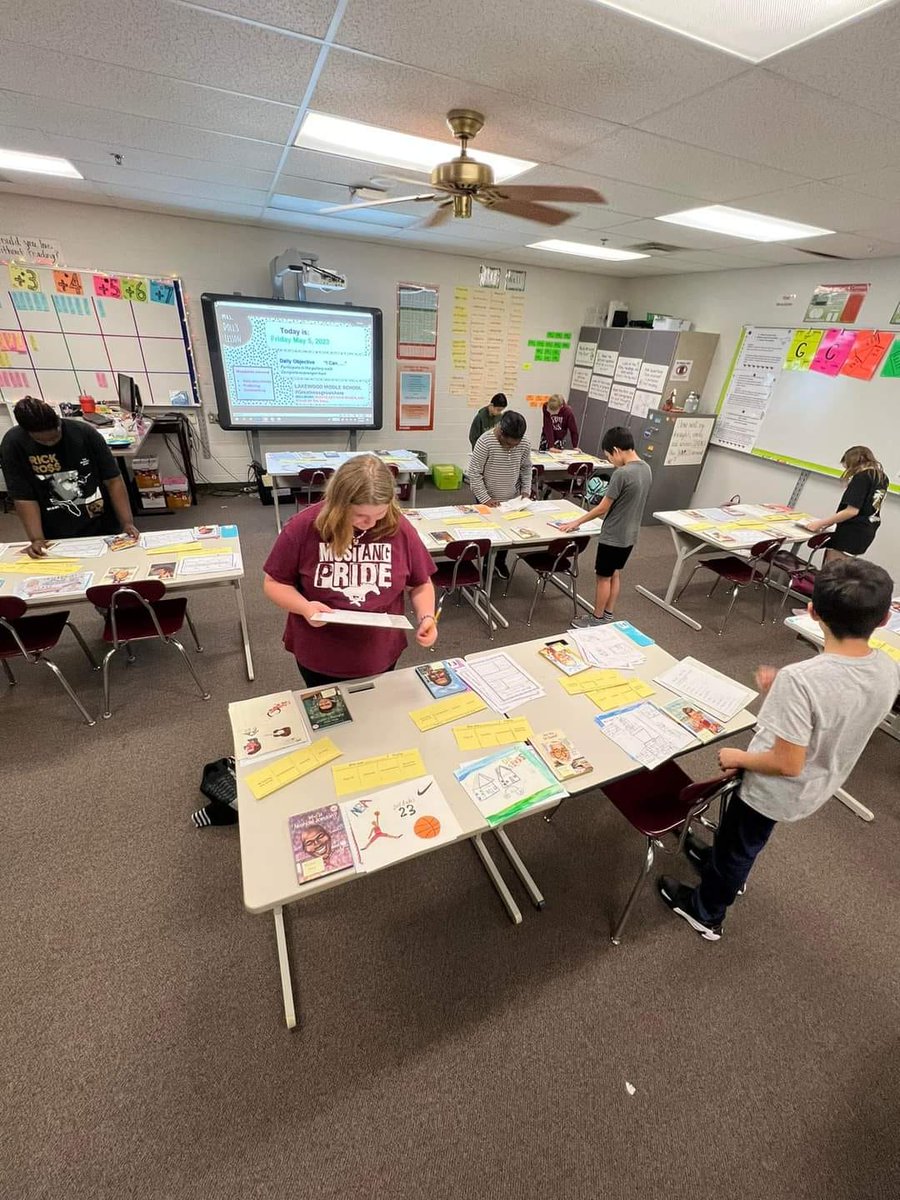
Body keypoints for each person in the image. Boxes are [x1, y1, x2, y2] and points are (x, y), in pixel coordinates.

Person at [659, 557, 900, 941]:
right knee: (739, 840)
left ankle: (707, 911)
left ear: (812, 611)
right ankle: (721, 866)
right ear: (885, 619)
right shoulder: (888, 668)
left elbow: (787, 763)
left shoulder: (801, 681)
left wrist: (738, 757)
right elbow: (841, 702)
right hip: (819, 781)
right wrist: (787, 695)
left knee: (740, 845)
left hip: (772, 790)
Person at [263, 454, 438, 687]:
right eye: (360, 516)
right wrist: (305, 608)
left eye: (379, 514)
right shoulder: (304, 527)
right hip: (320, 651)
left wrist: (427, 617)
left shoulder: (399, 527)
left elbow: (420, 582)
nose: (371, 524)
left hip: (379, 651)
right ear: (339, 505)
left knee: (376, 703)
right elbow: (274, 583)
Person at [0, 395, 139, 558]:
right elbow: (23, 497)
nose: (50, 443)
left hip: (100, 519)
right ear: (28, 432)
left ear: (58, 422)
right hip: (54, 526)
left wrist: (127, 523)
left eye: (55, 437)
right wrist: (36, 538)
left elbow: (113, 480)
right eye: (43, 441)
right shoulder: (13, 444)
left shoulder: (84, 433)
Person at [560, 426, 651, 626]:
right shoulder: (646, 468)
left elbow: (602, 508)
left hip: (613, 535)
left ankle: (597, 618)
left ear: (616, 450)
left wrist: (576, 522)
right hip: (630, 535)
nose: (610, 461)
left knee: (602, 578)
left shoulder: (622, 474)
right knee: (614, 573)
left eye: (609, 456)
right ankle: (608, 614)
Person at [467, 409, 533, 579]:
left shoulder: (523, 442)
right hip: (488, 497)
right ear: (502, 433)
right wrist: (485, 498)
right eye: (509, 444)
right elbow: (474, 473)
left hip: (512, 498)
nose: (512, 447)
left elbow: (526, 468)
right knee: (489, 533)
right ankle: (485, 565)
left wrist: (526, 490)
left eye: (516, 444)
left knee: (508, 533)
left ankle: (500, 562)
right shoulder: (485, 441)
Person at [805, 446, 888, 561]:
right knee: (844, 569)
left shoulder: (862, 477)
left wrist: (819, 523)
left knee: (833, 569)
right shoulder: (881, 477)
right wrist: (829, 523)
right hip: (866, 531)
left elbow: (851, 511)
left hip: (850, 533)